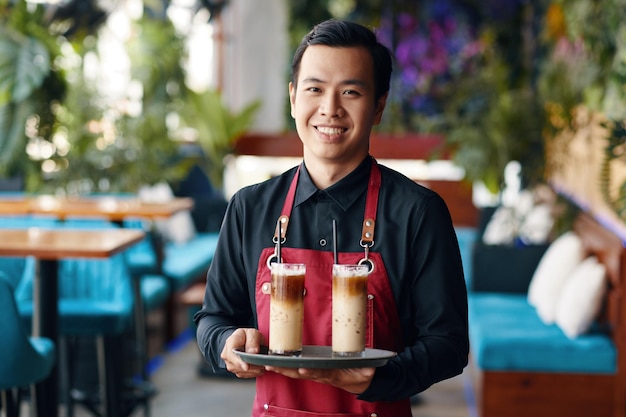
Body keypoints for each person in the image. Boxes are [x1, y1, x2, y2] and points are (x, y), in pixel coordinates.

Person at [194, 19, 469, 417]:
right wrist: (225, 343)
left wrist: (383, 377)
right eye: (315, 89)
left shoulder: (418, 212)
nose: (330, 109)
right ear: (293, 98)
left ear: (378, 106)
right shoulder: (249, 207)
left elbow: (449, 344)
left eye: (351, 92)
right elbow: (212, 318)